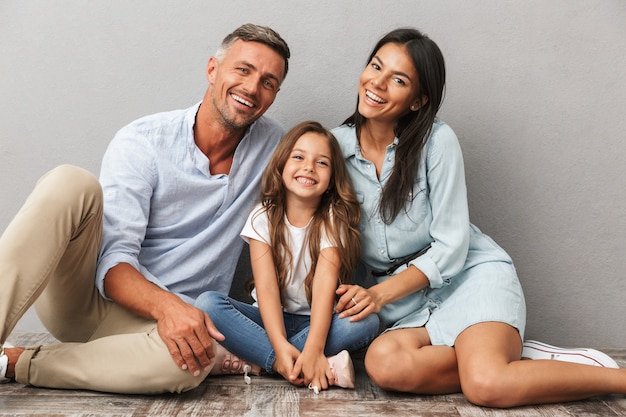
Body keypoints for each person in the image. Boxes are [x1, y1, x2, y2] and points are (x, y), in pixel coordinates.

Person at [331, 27, 626, 408]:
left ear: (418, 100)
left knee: (486, 386)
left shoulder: (437, 142)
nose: (378, 83)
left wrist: (376, 294)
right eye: (376, 66)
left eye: (398, 80)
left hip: (469, 277)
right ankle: (509, 361)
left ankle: (617, 379)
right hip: (406, 304)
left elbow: (453, 246)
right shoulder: (334, 147)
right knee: (384, 367)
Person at [0, 23, 290, 394]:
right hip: (90, 302)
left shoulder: (275, 148)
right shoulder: (144, 141)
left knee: (187, 366)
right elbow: (114, 262)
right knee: (70, 181)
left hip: (160, 330)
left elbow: (320, 183)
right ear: (213, 69)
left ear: (275, 94)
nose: (252, 87)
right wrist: (168, 307)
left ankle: (15, 362)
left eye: (267, 82)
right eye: (243, 70)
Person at [195, 121, 380, 393]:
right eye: (298, 157)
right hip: (269, 319)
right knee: (207, 304)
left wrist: (314, 346)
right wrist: (280, 345)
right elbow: (267, 289)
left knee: (367, 321)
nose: (308, 167)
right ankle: (308, 364)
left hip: (318, 322)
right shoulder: (263, 216)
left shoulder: (333, 219)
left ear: (331, 181)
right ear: (281, 166)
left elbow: (323, 286)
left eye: (322, 163)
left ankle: (257, 359)